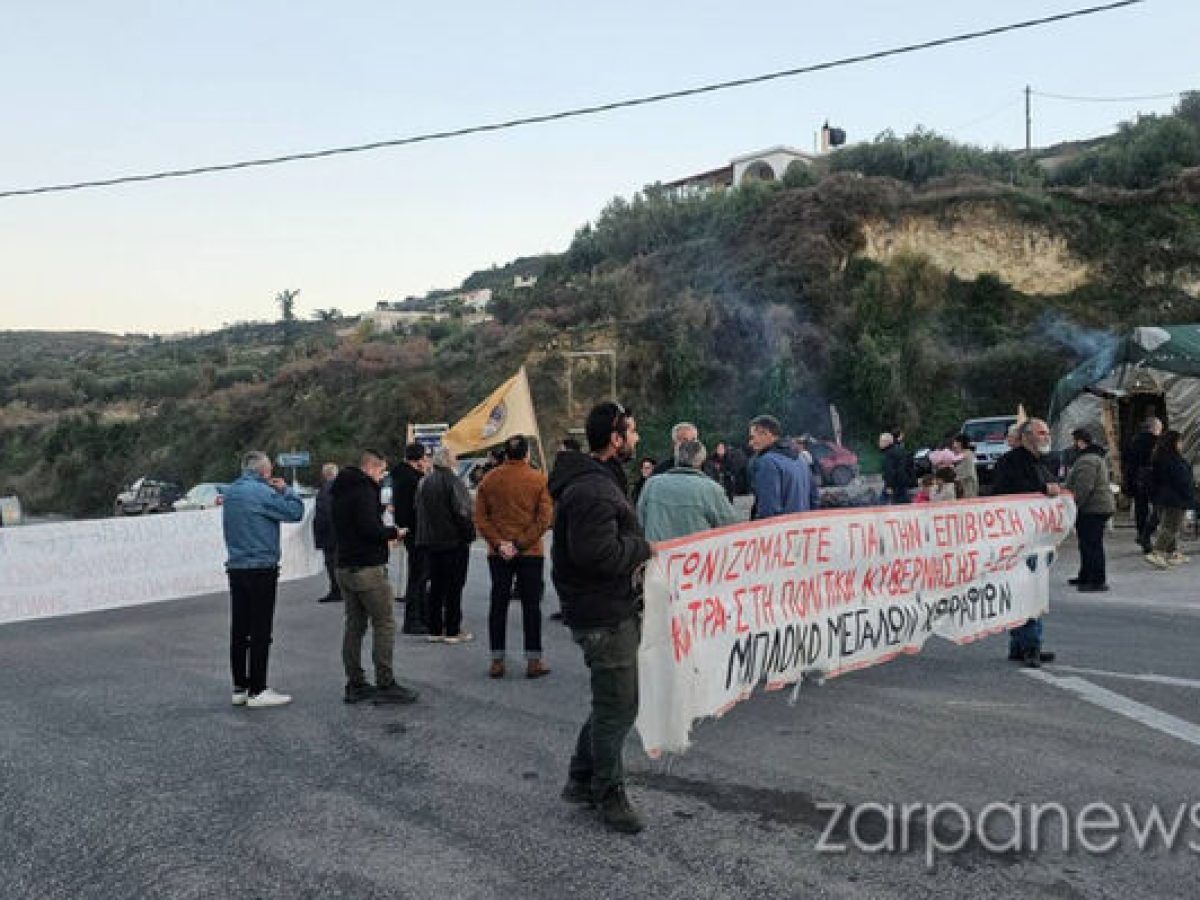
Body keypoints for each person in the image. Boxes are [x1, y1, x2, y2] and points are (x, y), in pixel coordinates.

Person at [551, 401, 653, 834]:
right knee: (618, 705)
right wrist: (645, 549)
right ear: (614, 438)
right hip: (603, 614)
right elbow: (599, 555)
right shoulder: (593, 489)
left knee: (612, 700)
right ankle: (608, 793)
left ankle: (580, 776)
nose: (635, 439)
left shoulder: (598, 480)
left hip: (605, 608)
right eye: (631, 432)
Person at [332, 449, 419, 705]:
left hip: (344, 566)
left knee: (354, 626)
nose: (382, 478)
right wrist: (394, 532)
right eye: (381, 472)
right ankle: (386, 681)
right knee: (384, 623)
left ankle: (355, 682)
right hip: (367, 567)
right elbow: (370, 529)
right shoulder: (364, 491)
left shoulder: (339, 488)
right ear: (370, 467)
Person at [222, 450, 305, 708]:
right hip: (261, 567)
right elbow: (295, 512)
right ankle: (258, 688)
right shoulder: (262, 492)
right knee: (260, 629)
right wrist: (286, 491)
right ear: (264, 472)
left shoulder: (231, 493)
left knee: (240, 629)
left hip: (236, 566)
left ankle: (240, 687)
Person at [474, 434, 553, 679]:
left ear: (506, 454)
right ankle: (533, 660)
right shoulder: (539, 480)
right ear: (527, 454)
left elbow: (481, 518)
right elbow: (543, 520)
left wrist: (500, 544)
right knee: (531, 606)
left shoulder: (489, 480)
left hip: (498, 554)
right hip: (530, 551)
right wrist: (519, 544)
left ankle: (497, 660)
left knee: (498, 604)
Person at [992, 418, 1060, 667]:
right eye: (1041, 433)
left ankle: (1022, 645)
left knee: (1032, 590)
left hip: (1036, 539)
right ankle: (1029, 645)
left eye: (1046, 432)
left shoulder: (1040, 462)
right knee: (1027, 590)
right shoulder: (1010, 463)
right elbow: (1011, 493)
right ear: (1026, 436)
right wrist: (1044, 489)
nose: (1046, 436)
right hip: (1018, 540)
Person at [416, 446, 476, 643]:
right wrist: (469, 534)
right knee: (454, 587)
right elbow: (462, 512)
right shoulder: (454, 482)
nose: (456, 462)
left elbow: (417, 508)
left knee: (435, 586)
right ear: (449, 462)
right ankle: (452, 629)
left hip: (430, 542)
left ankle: (434, 629)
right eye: (455, 459)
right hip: (453, 541)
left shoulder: (424, 482)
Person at [638, 440, 740, 541]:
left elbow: (639, 521)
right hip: (697, 554)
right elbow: (732, 527)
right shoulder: (711, 489)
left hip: (658, 554)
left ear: (676, 458)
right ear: (702, 461)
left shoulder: (652, 484)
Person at [1063, 428, 1115, 592]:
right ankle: (1085, 575)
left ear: (1080, 442)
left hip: (1092, 508)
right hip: (1096, 506)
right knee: (1086, 544)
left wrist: (1075, 505)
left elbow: (1084, 487)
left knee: (1091, 545)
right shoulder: (1093, 458)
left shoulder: (1087, 460)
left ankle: (1097, 580)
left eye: (1074, 442)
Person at [748, 415, 820, 519]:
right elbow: (814, 498)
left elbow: (768, 510)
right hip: (802, 527)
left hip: (781, 531)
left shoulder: (767, 462)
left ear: (766, 434)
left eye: (752, 437)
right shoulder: (800, 458)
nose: (750, 443)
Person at [392, 443, 430, 635]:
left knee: (418, 575)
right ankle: (414, 618)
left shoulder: (400, 476)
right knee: (418, 576)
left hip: (408, 530)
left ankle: (420, 616)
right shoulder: (414, 480)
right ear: (419, 459)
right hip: (417, 532)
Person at [1145, 429, 1194, 569]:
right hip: (1175, 498)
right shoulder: (1172, 459)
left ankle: (1171, 552)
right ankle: (1157, 552)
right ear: (1173, 443)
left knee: (1169, 525)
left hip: (1164, 497)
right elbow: (1181, 480)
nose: (1182, 444)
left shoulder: (1160, 457)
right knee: (1171, 526)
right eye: (1180, 441)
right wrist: (1189, 495)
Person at [1124, 416, 1162, 553]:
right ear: (1154, 428)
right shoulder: (1157, 443)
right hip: (1153, 480)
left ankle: (1141, 533)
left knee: (1141, 509)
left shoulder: (1133, 441)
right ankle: (1146, 535)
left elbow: (1127, 462)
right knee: (1159, 509)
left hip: (1136, 480)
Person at [313, 462, 341, 604]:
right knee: (337, 562)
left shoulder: (326, 489)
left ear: (325, 474)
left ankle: (336, 590)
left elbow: (326, 512)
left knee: (331, 562)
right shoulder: (340, 487)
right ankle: (339, 589)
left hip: (329, 533)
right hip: (338, 532)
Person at [880, 430, 914, 504]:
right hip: (903, 483)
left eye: (881, 441)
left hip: (894, 485)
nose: (879, 443)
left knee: (884, 503)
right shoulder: (900, 451)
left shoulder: (889, 454)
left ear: (886, 442)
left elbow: (890, 471)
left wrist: (889, 485)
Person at [951, 434, 979, 499]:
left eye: (955, 442)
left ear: (960, 443)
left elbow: (966, 471)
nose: (953, 445)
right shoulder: (961, 454)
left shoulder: (967, 454)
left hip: (968, 484)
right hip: (963, 484)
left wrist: (953, 470)